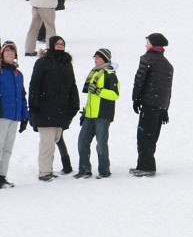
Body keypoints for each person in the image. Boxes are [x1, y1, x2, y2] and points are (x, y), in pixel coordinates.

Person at [28, 36, 78, 182]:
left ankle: (48, 169)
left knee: (54, 139)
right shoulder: (42, 62)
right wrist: (34, 105)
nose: (60, 46)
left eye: (62, 44)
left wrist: (74, 104)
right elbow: (34, 85)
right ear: (51, 45)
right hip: (44, 109)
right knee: (47, 143)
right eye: (57, 44)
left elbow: (72, 85)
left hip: (61, 111)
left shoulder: (67, 64)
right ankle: (44, 172)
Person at [130, 33, 173, 177]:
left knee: (143, 136)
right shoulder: (167, 64)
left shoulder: (147, 59)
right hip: (160, 106)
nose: (145, 44)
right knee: (152, 136)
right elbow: (167, 89)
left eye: (147, 42)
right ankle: (143, 164)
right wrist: (165, 108)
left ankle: (147, 167)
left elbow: (139, 80)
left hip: (149, 104)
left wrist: (136, 99)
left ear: (153, 44)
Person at [74, 47, 119, 180]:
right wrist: (86, 112)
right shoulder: (94, 73)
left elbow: (115, 94)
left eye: (98, 57)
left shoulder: (110, 74)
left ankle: (104, 170)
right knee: (82, 141)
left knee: (101, 143)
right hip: (90, 114)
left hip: (103, 114)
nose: (95, 60)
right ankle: (84, 169)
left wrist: (99, 91)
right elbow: (90, 96)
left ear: (104, 59)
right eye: (95, 57)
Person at [0, 41, 29, 188]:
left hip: (14, 115)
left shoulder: (18, 74)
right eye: (7, 51)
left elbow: (22, 96)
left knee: (7, 148)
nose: (10, 53)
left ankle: (2, 176)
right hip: (2, 114)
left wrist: (25, 116)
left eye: (12, 51)